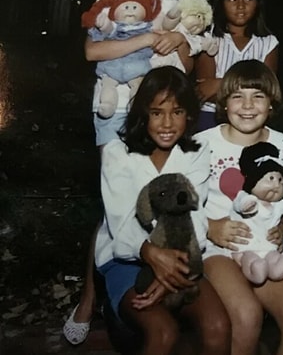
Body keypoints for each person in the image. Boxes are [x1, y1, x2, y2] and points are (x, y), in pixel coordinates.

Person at [63, 0, 195, 345]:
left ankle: (149, 284)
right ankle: (89, 298)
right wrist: (144, 38)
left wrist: (178, 40)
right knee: (112, 203)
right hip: (114, 108)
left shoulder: (176, 7)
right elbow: (91, 51)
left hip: (154, 113)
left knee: (150, 197)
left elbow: (184, 71)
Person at [94, 66, 231, 354]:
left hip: (183, 255)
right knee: (163, 332)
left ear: (190, 115)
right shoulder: (119, 155)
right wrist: (153, 256)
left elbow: (194, 216)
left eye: (177, 112)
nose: (167, 123)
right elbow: (121, 224)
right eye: (157, 113)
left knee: (218, 327)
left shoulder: (195, 153)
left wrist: (170, 272)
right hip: (127, 260)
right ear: (144, 113)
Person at [196, 60, 283, 355]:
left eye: (258, 96)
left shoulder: (282, 144)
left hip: (264, 248)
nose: (247, 105)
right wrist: (210, 227)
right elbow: (181, 204)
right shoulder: (201, 144)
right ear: (223, 103)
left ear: (271, 104)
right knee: (246, 315)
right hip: (219, 249)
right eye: (238, 96)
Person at [194, 0, 279, 131]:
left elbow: (267, 89)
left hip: (251, 116)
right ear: (221, 3)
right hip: (211, 117)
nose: (241, 6)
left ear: (258, 3)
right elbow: (204, 91)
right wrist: (249, 85)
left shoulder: (268, 43)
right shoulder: (208, 38)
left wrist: (220, 83)